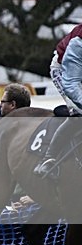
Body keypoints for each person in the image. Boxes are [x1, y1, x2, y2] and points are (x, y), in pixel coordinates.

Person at [34, 32, 82, 178]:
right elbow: (71, 85)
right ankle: (47, 159)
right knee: (78, 114)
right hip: (64, 70)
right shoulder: (78, 40)